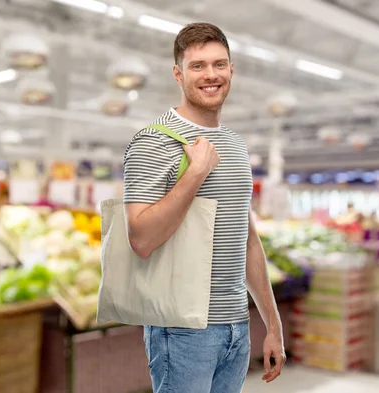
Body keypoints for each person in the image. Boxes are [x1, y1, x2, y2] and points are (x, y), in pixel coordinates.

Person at [122, 22, 286, 393]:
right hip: (181, 329)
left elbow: (248, 243)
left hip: (236, 328)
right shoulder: (152, 142)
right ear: (178, 74)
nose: (210, 74)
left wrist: (272, 326)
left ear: (231, 70)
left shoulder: (236, 146)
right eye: (198, 66)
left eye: (219, 64)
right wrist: (194, 173)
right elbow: (141, 239)